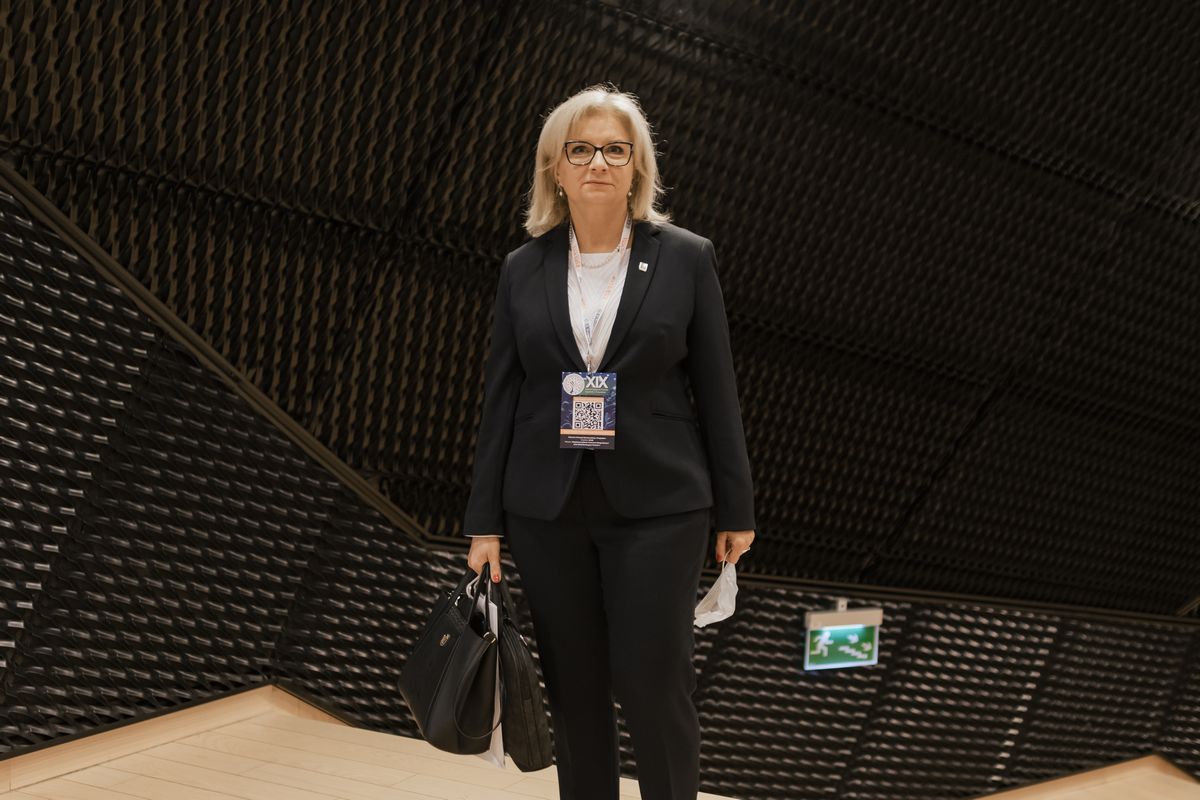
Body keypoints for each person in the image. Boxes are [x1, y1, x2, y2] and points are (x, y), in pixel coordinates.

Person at [461, 82, 756, 800]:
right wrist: (483, 523)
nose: (598, 162)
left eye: (615, 150)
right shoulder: (522, 267)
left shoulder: (686, 258)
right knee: (575, 690)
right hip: (546, 508)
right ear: (555, 169)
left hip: (660, 505)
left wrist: (736, 508)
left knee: (654, 684)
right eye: (581, 150)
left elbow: (717, 390)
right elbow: (502, 397)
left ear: (637, 168)